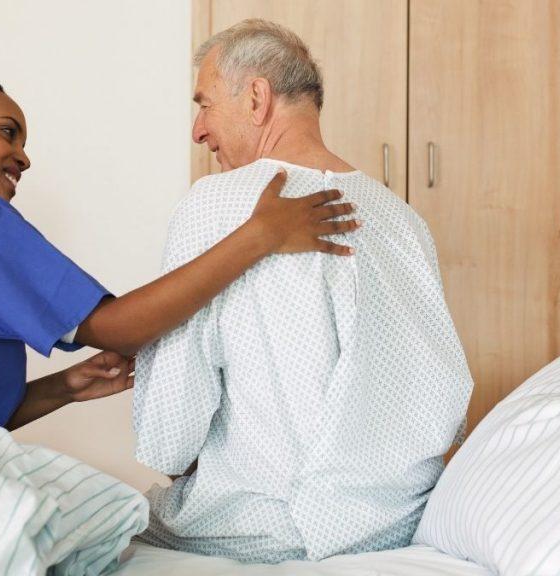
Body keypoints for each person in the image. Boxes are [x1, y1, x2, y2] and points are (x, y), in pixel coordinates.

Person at [0, 62, 360, 429]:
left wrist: (64, 387)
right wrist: (261, 234)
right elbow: (119, 329)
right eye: (7, 132)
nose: (24, 156)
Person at [132, 20, 474, 563]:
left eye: (205, 105)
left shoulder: (215, 204)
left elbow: (168, 435)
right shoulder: (402, 219)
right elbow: (442, 399)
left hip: (266, 525)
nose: (198, 130)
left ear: (257, 98)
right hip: (394, 525)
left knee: (103, 526)